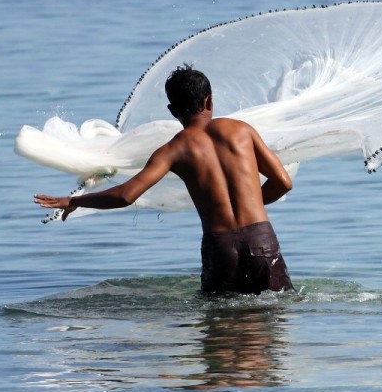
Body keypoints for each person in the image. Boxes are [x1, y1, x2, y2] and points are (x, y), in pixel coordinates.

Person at [34, 65, 295, 294]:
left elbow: (126, 196)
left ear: (172, 110)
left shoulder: (173, 150)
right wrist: (250, 204)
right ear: (209, 101)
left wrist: (76, 200)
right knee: (275, 316)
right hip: (261, 240)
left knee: (220, 329)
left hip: (220, 246)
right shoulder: (242, 131)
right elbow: (283, 182)